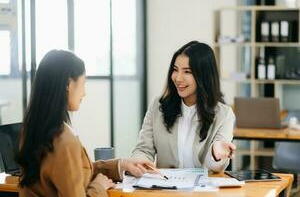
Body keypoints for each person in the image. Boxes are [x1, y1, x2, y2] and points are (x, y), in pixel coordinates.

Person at [16, 50, 154, 197]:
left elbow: (73, 172)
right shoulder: (64, 140)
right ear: (68, 83)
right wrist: (98, 186)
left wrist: (122, 165)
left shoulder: (33, 129)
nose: (84, 92)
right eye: (84, 83)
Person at [132, 41, 236, 172]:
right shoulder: (158, 106)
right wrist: (138, 164)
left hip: (202, 191)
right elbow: (143, 149)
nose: (178, 78)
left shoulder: (224, 114)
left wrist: (216, 153)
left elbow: (216, 168)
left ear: (204, 76)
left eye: (187, 71)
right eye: (175, 70)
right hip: (165, 189)